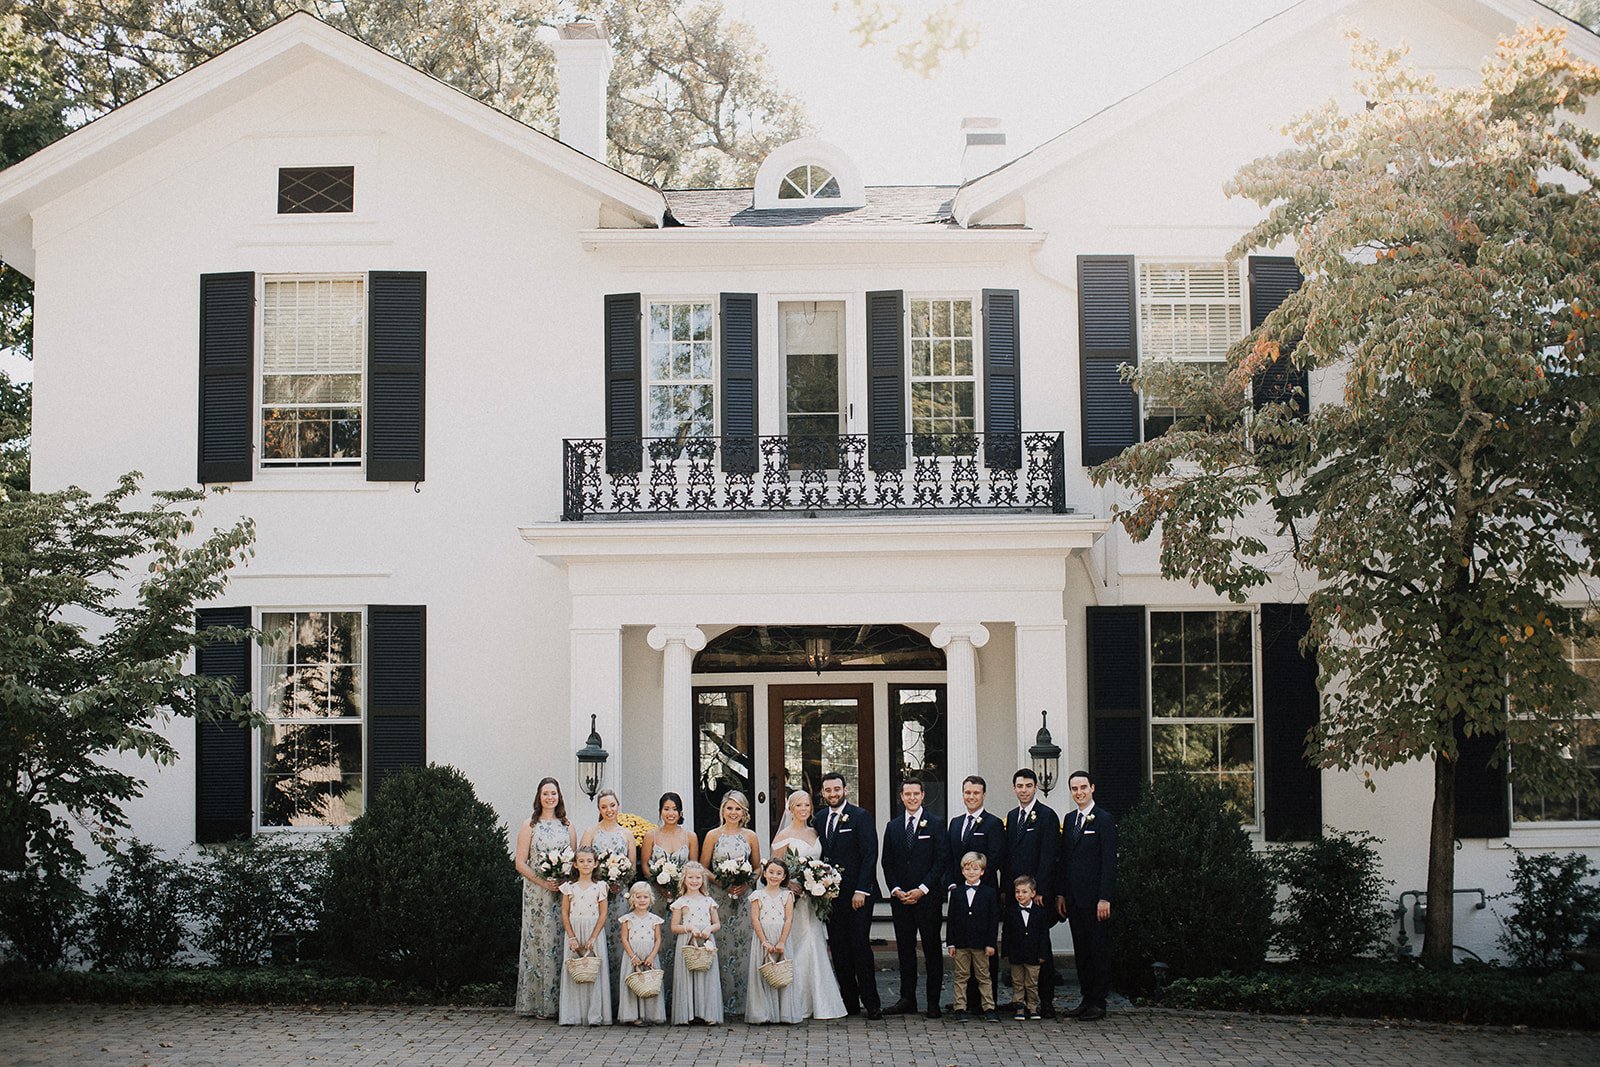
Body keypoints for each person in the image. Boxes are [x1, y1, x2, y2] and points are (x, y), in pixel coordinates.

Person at [769, 789, 848, 1022]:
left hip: (814, 899)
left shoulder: (815, 831)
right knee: (800, 943)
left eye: (807, 806)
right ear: (790, 809)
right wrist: (790, 883)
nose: (803, 810)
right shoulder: (784, 835)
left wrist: (823, 882)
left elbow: (820, 863)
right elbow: (775, 869)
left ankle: (821, 1002)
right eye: (799, 806)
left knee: (815, 942)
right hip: (795, 900)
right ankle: (798, 1002)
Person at [813, 771, 881, 1019]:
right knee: (839, 948)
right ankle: (849, 1002)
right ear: (823, 793)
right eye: (828, 790)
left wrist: (862, 890)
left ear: (845, 790)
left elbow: (869, 854)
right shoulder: (819, 819)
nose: (833, 794)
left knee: (860, 946)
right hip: (830, 896)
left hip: (857, 894)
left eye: (836, 789)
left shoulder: (860, 816)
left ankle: (872, 1003)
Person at [881, 777, 948, 1019]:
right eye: (907, 794)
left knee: (931, 950)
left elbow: (941, 860)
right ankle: (907, 998)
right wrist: (896, 889)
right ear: (901, 796)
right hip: (901, 899)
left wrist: (923, 889)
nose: (911, 798)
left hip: (927, 898)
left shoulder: (937, 824)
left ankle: (933, 1002)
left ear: (922, 795)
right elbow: (887, 862)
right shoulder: (894, 826)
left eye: (916, 794)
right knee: (905, 951)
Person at [1056, 770, 1117, 1022]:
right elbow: (1065, 861)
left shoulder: (1103, 819)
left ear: (1092, 788)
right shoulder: (1070, 820)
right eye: (1074, 789)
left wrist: (1105, 897)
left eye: (1083, 787)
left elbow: (1109, 862)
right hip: (1074, 899)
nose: (1078, 792)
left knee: (1097, 950)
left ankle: (1098, 1002)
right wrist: (1061, 894)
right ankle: (1085, 999)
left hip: (1095, 901)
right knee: (1081, 951)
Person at [514, 776, 576, 1018]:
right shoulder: (529, 825)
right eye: (546, 793)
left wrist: (562, 880)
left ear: (559, 796)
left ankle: (561, 1003)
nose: (550, 797)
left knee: (559, 940)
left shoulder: (567, 825)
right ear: (539, 797)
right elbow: (520, 862)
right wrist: (542, 882)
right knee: (539, 940)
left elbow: (573, 860)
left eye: (554, 793)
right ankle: (538, 1002)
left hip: (561, 891)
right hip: (536, 892)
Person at [1002, 767, 1060, 1015]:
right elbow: (1007, 857)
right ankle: (1021, 1001)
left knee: (1039, 950)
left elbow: (1049, 857)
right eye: (1019, 786)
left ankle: (1044, 1002)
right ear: (1014, 788)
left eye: (1028, 785)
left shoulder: (1047, 816)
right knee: (1018, 949)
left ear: (1036, 787)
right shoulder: (1012, 816)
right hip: (1016, 896)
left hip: (1036, 896)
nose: (1023, 790)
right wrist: (1007, 891)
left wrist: (1040, 891)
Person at [947, 774, 1005, 1009]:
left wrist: (977, 882)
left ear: (983, 795)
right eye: (967, 792)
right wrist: (953, 884)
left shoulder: (993, 824)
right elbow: (951, 857)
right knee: (963, 948)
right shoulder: (956, 823)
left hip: (985, 894)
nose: (971, 797)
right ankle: (966, 1001)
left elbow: (997, 856)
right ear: (963, 794)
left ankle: (986, 1002)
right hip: (961, 895)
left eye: (976, 793)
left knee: (983, 948)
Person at [700, 790, 760, 1016]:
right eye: (729, 808)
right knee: (720, 947)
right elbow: (703, 867)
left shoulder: (750, 836)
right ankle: (719, 1002)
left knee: (743, 947)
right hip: (719, 898)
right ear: (722, 810)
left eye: (737, 809)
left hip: (744, 899)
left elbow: (757, 867)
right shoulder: (713, 835)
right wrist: (721, 882)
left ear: (744, 812)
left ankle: (743, 1003)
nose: (733, 813)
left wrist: (747, 883)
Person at [581, 788, 636, 1010]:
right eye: (604, 807)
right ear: (599, 809)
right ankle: (598, 1001)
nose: (609, 810)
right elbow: (583, 861)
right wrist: (601, 881)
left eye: (612, 805)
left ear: (618, 806)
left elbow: (632, 867)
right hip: (596, 897)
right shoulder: (591, 831)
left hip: (620, 894)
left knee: (619, 943)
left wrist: (619, 879)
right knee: (599, 942)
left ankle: (619, 1001)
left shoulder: (627, 834)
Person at [640, 791, 697, 998]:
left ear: (681, 812)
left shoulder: (690, 837)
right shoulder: (651, 836)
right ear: (660, 811)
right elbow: (646, 866)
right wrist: (659, 883)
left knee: (680, 943)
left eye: (674, 809)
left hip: (683, 897)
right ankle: (655, 993)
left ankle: (680, 996)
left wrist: (680, 887)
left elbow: (694, 867)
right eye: (666, 809)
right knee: (658, 941)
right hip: (657, 896)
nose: (670, 813)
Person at [558, 846, 612, 1026]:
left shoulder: (601, 886)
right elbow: (565, 913)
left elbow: (603, 914)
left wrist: (593, 938)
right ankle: (572, 1014)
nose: (585, 864)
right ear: (575, 865)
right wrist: (572, 937)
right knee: (575, 968)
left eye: (589, 861)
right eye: (581, 861)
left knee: (593, 970)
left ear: (596, 864)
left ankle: (595, 1015)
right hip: (574, 928)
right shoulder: (568, 887)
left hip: (593, 930)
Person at [944, 851, 999, 1021]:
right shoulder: (957, 893)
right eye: (968, 869)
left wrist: (991, 943)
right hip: (961, 942)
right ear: (962, 871)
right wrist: (950, 943)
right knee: (961, 976)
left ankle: (988, 1007)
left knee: (983, 976)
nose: (972, 872)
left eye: (975, 869)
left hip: (981, 943)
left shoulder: (989, 893)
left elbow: (993, 920)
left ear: (982, 871)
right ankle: (960, 1006)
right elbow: (951, 919)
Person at [744, 858, 798, 1024]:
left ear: (784, 877)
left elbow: (788, 919)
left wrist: (781, 941)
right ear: (765, 873)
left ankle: (783, 1013)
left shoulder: (787, 895)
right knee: (763, 971)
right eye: (771, 872)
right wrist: (764, 941)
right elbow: (755, 919)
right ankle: (762, 1012)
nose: (774, 876)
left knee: (781, 971)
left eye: (779, 873)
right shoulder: (757, 895)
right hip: (763, 937)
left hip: (780, 935)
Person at [669, 861, 723, 1025]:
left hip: (705, 939)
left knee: (706, 974)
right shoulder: (681, 902)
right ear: (684, 879)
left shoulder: (709, 901)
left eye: (697, 877)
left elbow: (717, 923)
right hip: (688, 940)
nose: (694, 881)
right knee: (688, 975)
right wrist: (689, 927)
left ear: (702, 880)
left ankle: (707, 1014)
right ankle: (687, 1014)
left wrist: (709, 929)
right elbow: (674, 927)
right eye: (690, 877)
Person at [617, 881, 666, 1025]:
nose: (642, 900)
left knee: (650, 983)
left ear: (650, 899)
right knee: (633, 983)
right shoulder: (627, 919)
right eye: (638, 897)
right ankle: (632, 1016)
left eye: (645, 897)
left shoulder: (654, 919)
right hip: (633, 956)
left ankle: (650, 1015)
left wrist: (651, 956)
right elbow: (624, 939)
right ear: (632, 898)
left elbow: (658, 939)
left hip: (649, 955)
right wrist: (632, 956)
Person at [1003, 874, 1049, 1021]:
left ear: (1033, 893)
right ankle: (1019, 1007)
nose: (1020, 895)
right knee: (1017, 982)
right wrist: (1006, 952)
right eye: (1018, 892)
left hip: (1033, 955)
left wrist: (1043, 954)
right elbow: (1006, 934)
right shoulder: (1010, 912)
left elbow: (1044, 935)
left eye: (1024, 892)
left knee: (1032, 983)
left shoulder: (1040, 912)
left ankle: (1033, 1007)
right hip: (1016, 954)